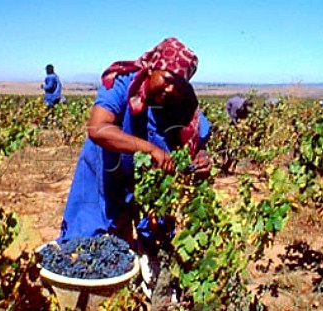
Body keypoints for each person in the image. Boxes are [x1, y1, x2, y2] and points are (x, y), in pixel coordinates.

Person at [57, 37, 212, 300]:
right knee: (89, 240)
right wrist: (149, 149)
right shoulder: (122, 83)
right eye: (168, 78)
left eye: (180, 83)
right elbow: (98, 128)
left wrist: (201, 159)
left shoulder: (182, 102)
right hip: (104, 173)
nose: (172, 89)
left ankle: (146, 295)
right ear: (152, 68)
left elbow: (198, 141)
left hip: (150, 185)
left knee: (156, 241)